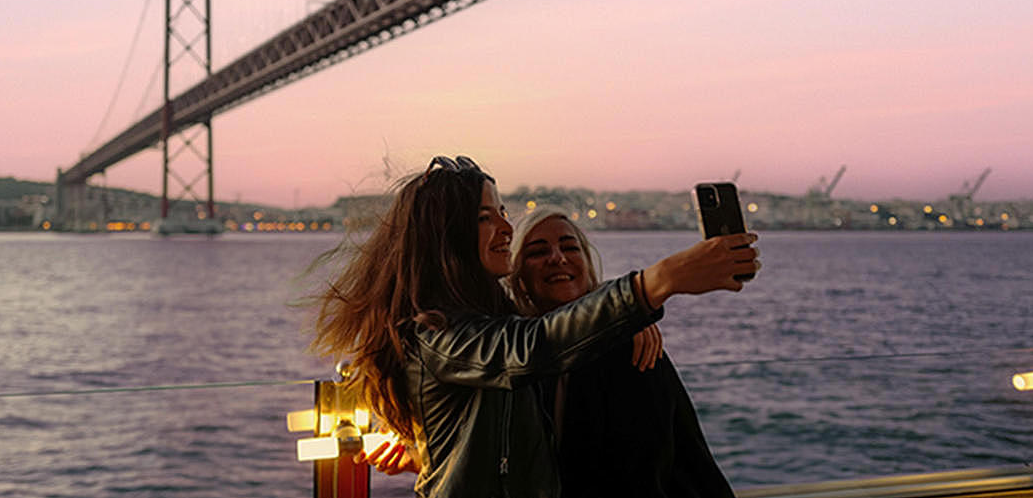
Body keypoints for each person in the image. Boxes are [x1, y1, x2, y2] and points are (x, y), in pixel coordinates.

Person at [311, 155, 759, 498]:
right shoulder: (437, 331)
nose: (506, 225)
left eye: (502, 211)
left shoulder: (496, 324)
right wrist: (656, 284)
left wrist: (625, 320)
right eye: (486, 216)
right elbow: (527, 348)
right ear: (444, 234)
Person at [506, 206, 732, 497]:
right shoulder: (509, 353)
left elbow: (656, 468)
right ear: (517, 273)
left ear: (587, 265)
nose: (558, 258)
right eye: (537, 252)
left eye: (570, 247)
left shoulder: (630, 349)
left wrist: (627, 318)